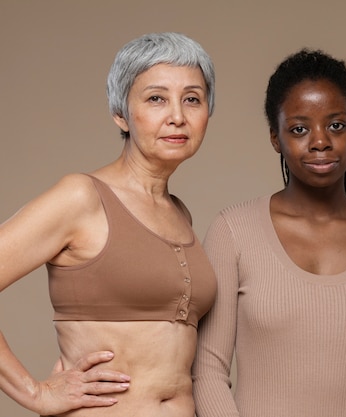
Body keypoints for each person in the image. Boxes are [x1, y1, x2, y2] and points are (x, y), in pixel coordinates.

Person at [192, 49, 346, 417]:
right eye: (300, 129)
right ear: (276, 137)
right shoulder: (234, 232)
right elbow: (207, 371)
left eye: (336, 125)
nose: (320, 141)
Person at [0, 32, 218, 417]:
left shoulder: (179, 213)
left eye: (192, 99)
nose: (177, 116)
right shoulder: (82, 197)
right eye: (156, 98)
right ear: (121, 113)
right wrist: (35, 393)